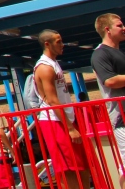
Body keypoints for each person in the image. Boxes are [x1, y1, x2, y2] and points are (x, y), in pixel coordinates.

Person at [34, 29, 90, 189]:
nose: (62, 44)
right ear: (47, 44)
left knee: (81, 166)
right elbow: (52, 99)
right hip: (54, 121)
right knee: (68, 169)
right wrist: (70, 127)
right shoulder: (45, 67)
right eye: (58, 41)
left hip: (65, 120)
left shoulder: (54, 63)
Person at [91, 13, 125, 180]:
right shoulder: (100, 54)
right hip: (121, 119)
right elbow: (110, 80)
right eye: (119, 25)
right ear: (107, 30)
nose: (124, 28)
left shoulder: (118, 52)